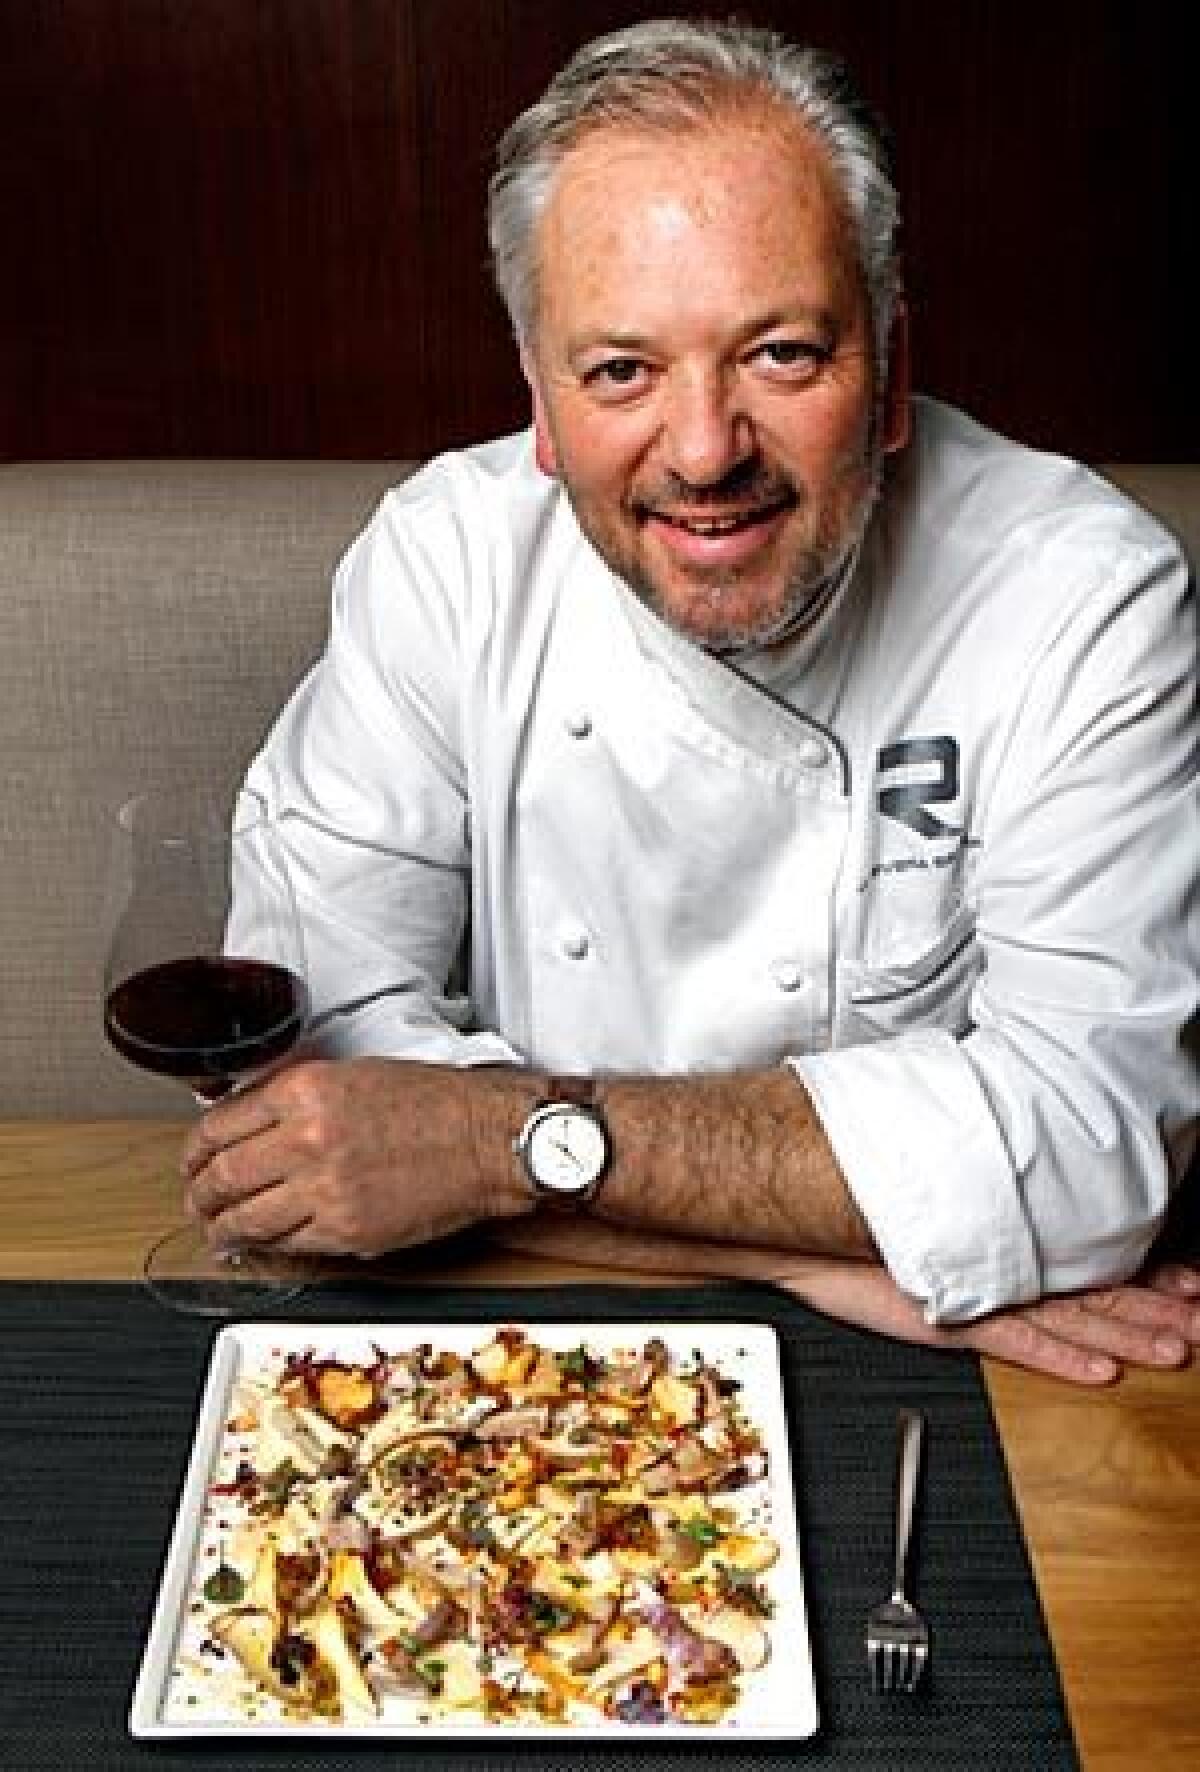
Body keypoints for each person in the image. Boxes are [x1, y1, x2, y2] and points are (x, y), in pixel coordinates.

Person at [185, 17, 1200, 1382]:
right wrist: (839, 1244)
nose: (707, 449)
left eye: (781, 352)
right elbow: (316, 1123)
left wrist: (490, 1155)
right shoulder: (445, 565)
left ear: (891, 370)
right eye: (621, 371)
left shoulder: (1084, 595)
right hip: (526, 1355)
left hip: (941, 1373)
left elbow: (1089, 1153)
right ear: (541, 402)